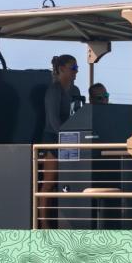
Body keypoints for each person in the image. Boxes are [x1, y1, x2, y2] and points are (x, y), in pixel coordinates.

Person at [39, 54, 80, 228]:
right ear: (62, 69)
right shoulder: (53, 90)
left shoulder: (75, 91)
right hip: (52, 140)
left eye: (77, 68)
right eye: (73, 68)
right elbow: (54, 121)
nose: (76, 72)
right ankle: (43, 223)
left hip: (69, 140)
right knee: (50, 182)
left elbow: (78, 114)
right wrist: (67, 136)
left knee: (68, 180)